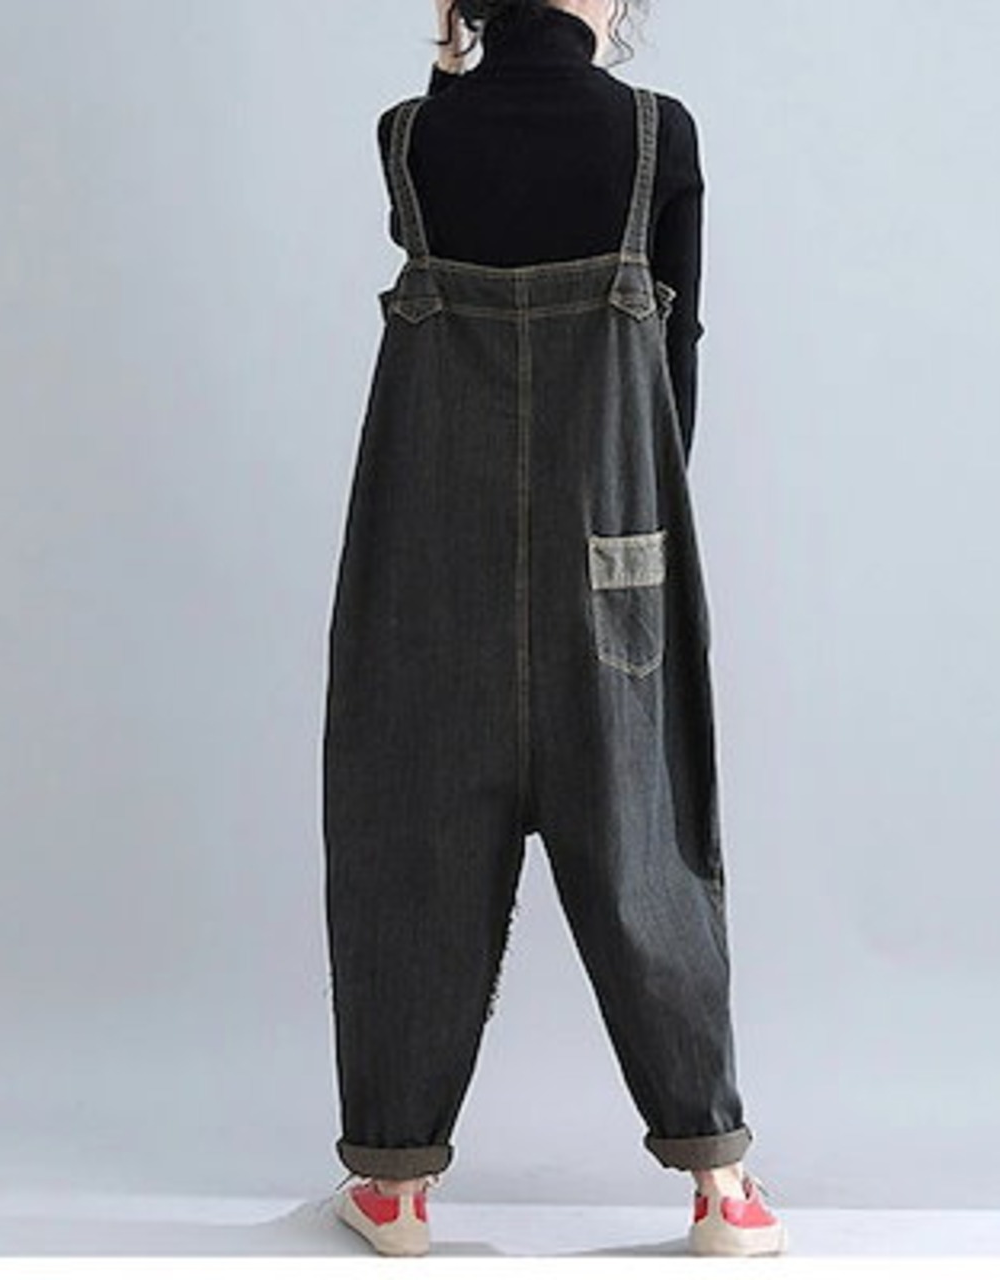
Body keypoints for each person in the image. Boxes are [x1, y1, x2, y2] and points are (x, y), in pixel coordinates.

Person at [323, 0, 788, 1257]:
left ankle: (393, 1187)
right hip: (614, 556)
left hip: (425, 565)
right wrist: (631, 506)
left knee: (408, 849)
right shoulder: (653, 136)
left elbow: (439, 215)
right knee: (646, 850)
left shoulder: (413, 135)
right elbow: (675, 364)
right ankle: (721, 1186)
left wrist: (448, 60)